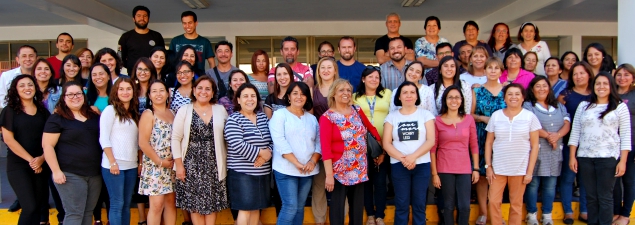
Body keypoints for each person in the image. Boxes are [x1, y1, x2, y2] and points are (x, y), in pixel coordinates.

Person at [568, 72, 631, 225]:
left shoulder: (620, 107)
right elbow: (575, 131)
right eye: (598, 83)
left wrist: (623, 162)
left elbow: (626, 136)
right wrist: (572, 156)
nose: (601, 87)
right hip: (585, 157)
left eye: (605, 84)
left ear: (611, 86)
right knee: (591, 196)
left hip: (608, 158)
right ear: (593, 86)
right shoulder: (584, 106)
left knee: (605, 197)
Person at [320, 79, 379, 225]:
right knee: (337, 211)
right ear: (333, 93)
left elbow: (371, 129)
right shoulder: (327, 117)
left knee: (357, 210)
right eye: (341, 90)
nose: (345, 93)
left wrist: (379, 150)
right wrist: (329, 176)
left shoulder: (357, 110)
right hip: (339, 170)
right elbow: (325, 148)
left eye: (348, 90)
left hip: (359, 168)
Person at [42, 82, 102, 225]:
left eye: (78, 93)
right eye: (70, 94)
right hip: (70, 173)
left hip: (94, 174)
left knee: (88, 213)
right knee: (74, 214)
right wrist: (56, 171)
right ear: (64, 97)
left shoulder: (93, 115)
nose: (75, 97)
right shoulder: (57, 118)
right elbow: (48, 145)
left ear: (83, 95)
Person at [172, 76, 229, 225]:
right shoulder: (184, 110)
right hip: (190, 164)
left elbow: (227, 137)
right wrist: (178, 165)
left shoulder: (220, 110)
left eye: (208, 89)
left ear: (212, 93)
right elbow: (175, 138)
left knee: (211, 205)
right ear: (194, 90)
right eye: (200, 88)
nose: (203, 91)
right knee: (194, 206)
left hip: (214, 164)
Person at [485, 83, 541, 225]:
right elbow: (489, 143)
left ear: (523, 97)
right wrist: (488, 166)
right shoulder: (496, 116)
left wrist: (529, 172)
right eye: (510, 94)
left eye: (517, 94)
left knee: (516, 205)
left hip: (520, 169)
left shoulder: (530, 117)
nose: (513, 97)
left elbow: (535, 146)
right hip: (498, 168)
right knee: (493, 201)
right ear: (504, 98)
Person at [382, 81, 435, 225]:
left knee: (419, 204)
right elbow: (386, 143)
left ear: (417, 96)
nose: (409, 95)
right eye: (405, 92)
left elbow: (431, 140)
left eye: (412, 92)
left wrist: (413, 157)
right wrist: (404, 159)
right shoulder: (392, 117)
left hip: (422, 165)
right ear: (399, 97)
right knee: (401, 204)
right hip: (399, 166)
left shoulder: (426, 115)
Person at [1, 75, 50, 225]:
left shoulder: (43, 111)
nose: (27, 88)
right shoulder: (9, 111)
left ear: (35, 88)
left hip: (41, 165)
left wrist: (41, 158)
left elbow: (49, 139)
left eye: (30, 84)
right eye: (22, 85)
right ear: (15, 90)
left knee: (37, 208)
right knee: (30, 206)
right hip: (19, 165)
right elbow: (9, 140)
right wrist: (31, 160)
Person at [270, 82, 321, 225]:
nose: (299, 97)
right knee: (290, 206)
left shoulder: (312, 119)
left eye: (303, 94)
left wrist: (312, 162)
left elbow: (319, 143)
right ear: (288, 97)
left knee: (299, 207)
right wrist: (297, 163)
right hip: (286, 169)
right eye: (295, 93)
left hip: (307, 171)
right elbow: (279, 141)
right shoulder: (280, 115)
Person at [522, 76, 571, 225]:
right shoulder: (528, 105)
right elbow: (530, 124)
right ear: (532, 89)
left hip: (554, 152)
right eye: (538, 86)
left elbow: (567, 123)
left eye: (544, 86)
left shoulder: (558, 106)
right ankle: (531, 214)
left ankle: (547, 215)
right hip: (535, 151)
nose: (541, 89)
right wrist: (550, 138)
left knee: (550, 185)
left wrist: (558, 135)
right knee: (533, 184)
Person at [225, 83, 273, 225]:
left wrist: (269, 153)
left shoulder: (263, 118)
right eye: (245, 96)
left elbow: (273, 140)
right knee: (245, 210)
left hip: (262, 172)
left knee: (255, 210)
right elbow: (237, 144)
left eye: (253, 96)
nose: (250, 99)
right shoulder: (234, 119)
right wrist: (261, 153)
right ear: (238, 100)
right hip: (242, 174)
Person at [431, 85, 479, 225]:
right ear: (445, 100)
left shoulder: (469, 119)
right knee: (447, 206)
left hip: (464, 168)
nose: (454, 100)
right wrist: (434, 174)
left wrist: (476, 168)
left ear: (462, 100)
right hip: (444, 168)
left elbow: (474, 145)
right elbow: (433, 148)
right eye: (450, 97)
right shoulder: (437, 120)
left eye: (457, 97)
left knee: (464, 206)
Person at [353, 67, 392, 225]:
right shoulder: (355, 97)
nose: (374, 80)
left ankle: (380, 215)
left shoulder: (387, 94)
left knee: (381, 182)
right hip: (361, 146)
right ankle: (369, 214)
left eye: (377, 77)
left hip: (385, 144)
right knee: (366, 182)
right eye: (370, 77)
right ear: (363, 79)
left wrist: (383, 149)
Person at [99, 77, 140, 225]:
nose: (125, 92)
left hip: (131, 165)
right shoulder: (110, 110)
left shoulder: (134, 112)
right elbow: (103, 139)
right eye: (121, 89)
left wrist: (139, 163)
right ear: (115, 92)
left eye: (128, 89)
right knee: (117, 203)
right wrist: (112, 162)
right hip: (114, 165)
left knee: (126, 204)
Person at [558, 61, 593, 224]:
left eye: (582, 73)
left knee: (586, 178)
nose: (578, 76)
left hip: (590, 143)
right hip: (568, 142)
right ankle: (568, 211)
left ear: (589, 74)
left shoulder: (596, 94)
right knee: (568, 177)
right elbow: (559, 118)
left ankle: (585, 210)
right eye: (575, 74)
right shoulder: (566, 95)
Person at [472, 57, 507, 225]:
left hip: (502, 138)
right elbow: (470, 115)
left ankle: (496, 213)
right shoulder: (476, 91)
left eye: (496, 68)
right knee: (483, 176)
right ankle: (483, 212)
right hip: (481, 135)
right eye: (489, 68)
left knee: (499, 175)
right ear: (484, 71)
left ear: (501, 71)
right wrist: (483, 118)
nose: (493, 70)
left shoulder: (507, 90)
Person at [138, 80, 176, 225]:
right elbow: (143, 143)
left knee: (171, 203)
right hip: (155, 166)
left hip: (171, 166)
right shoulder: (149, 114)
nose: (158, 94)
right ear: (149, 95)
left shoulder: (172, 113)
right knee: (157, 205)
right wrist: (160, 162)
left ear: (168, 93)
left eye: (161, 90)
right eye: (154, 91)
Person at [309, 58, 339, 225]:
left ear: (335, 70)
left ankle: (339, 218)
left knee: (341, 183)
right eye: (323, 68)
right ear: (318, 71)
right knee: (320, 183)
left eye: (329, 67)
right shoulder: (313, 91)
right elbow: (311, 117)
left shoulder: (342, 89)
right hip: (320, 140)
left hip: (340, 140)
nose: (326, 70)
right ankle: (319, 220)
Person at [612, 64, 635, 225]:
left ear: (633, 78)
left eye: (626, 75)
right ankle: (615, 212)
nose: (622, 78)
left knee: (628, 180)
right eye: (619, 74)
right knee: (614, 180)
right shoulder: (611, 95)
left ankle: (625, 215)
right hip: (612, 145)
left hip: (631, 144)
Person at [118, 5, 165, 73]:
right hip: (133, 75)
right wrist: (132, 67)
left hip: (153, 74)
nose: (142, 18)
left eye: (145, 16)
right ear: (134, 18)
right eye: (139, 16)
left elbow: (163, 55)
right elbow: (120, 57)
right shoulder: (125, 37)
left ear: (148, 18)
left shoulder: (157, 36)